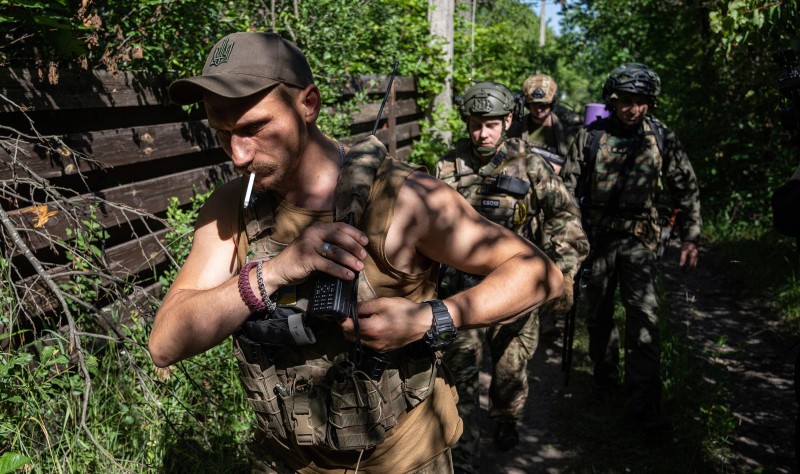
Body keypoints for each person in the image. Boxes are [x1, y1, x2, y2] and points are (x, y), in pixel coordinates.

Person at [148, 32, 564, 473]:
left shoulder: (404, 199)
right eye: (223, 133)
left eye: (254, 127)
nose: (237, 153)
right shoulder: (233, 206)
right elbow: (164, 344)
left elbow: (539, 271)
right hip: (283, 461)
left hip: (402, 460)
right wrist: (272, 273)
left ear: (308, 104)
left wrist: (429, 318)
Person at [434, 81, 588, 472]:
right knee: (459, 380)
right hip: (459, 293)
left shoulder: (530, 165)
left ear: (507, 121)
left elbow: (566, 219)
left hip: (516, 289)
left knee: (510, 368)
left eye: (490, 124)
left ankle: (506, 418)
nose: (482, 133)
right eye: (474, 124)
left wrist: (563, 273)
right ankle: (463, 455)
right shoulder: (447, 166)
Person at [564, 63, 702, 432]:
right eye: (626, 100)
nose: (632, 108)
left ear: (650, 103)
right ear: (613, 100)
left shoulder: (661, 137)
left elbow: (685, 187)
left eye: (640, 102)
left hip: (641, 239)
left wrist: (691, 237)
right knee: (598, 314)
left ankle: (643, 397)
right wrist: (568, 237)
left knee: (643, 317)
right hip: (597, 238)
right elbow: (565, 190)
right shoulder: (590, 137)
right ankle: (604, 378)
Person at [512, 74, 582, 176]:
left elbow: (576, 167)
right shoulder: (516, 128)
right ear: (527, 104)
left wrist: (561, 169)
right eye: (534, 104)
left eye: (543, 105)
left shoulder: (568, 132)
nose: (538, 109)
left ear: (552, 103)